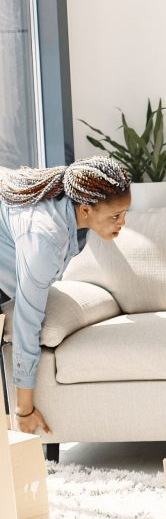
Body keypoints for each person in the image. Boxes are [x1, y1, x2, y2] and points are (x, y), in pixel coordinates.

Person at [0, 156, 131, 433]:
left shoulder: (69, 196)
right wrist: (25, 410)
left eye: (124, 214)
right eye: (115, 216)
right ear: (85, 210)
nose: (122, 223)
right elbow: (27, 321)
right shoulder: (43, 240)